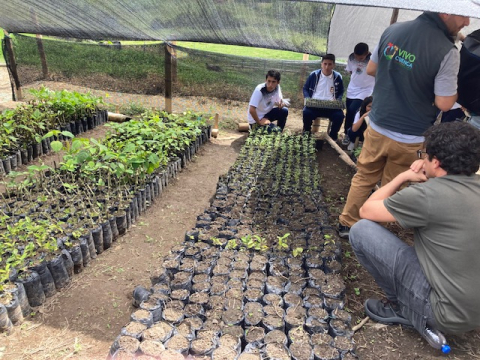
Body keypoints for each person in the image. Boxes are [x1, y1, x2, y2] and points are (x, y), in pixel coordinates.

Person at [337, 12, 470, 239]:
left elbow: (371, 69)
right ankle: (374, 234)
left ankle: (347, 224)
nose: (466, 22)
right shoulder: (447, 52)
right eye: (464, 17)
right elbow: (445, 103)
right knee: (393, 185)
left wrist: (399, 74)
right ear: (446, 11)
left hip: (377, 125)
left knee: (364, 176)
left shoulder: (393, 31)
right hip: (410, 137)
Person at [349, 121, 480, 350]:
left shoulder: (427, 195)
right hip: (473, 308)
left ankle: (401, 307)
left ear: (436, 162)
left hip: (445, 313)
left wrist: (403, 177)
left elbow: (367, 211)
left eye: (425, 155)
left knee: (361, 231)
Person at [302, 54, 344, 140]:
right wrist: (307, 98)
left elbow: (341, 91)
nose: (327, 66)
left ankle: (332, 136)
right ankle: (307, 134)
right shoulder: (314, 75)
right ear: (321, 64)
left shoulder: (337, 77)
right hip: (314, 104)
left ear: (334, 65)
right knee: (306, 112)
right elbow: (305, 88)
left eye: (330, 64)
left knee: (339, 115)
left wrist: (338, 100)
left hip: (331, 106)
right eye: (325, 64)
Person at [342, 43, 375, 146]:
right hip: (352, 89)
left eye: (361, 58)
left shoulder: (373, 59)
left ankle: (353, 135)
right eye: (357, 57)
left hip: (365, 90)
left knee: (354, 110)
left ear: (367, 53)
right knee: (349, 112)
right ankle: (347, 133)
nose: (359, 60)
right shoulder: (351, 57)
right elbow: (351, 71)